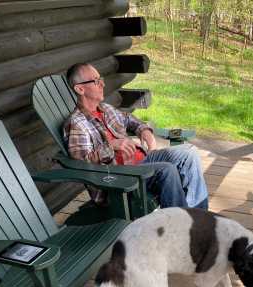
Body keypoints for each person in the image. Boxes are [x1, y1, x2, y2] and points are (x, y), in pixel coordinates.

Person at [63, 62, 208, 209]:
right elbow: (81, 164)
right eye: (96, 81)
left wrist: (144, 131)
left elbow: (129, 119)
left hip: (141, 161)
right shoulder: (77, 123)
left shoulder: (106, 109)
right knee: (167, 170)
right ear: (80, 89)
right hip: (120, 178)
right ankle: (182, 224)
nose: (102, 84)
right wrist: (111, 146)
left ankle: (198, 217)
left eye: (101, 79)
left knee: (189, 153)